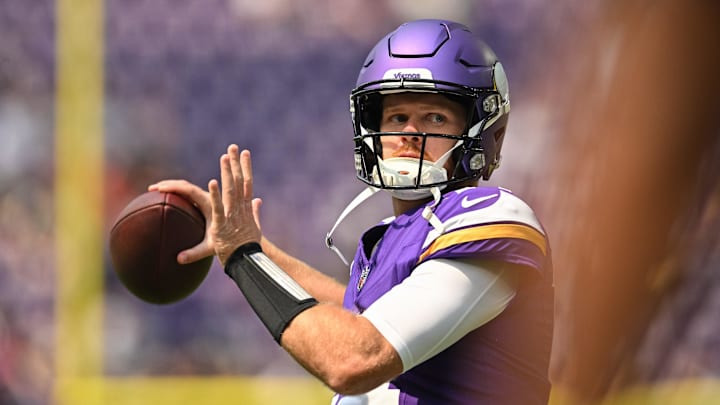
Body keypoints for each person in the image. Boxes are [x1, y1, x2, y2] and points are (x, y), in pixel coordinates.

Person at [150, 19, 554, 405]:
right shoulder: (392, 233)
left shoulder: (491, 216)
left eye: (434, 116)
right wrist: (251, 246)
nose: (409, 135)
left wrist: (244, 258)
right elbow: (352, 314)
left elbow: (353, 357)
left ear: (486, 133)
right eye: (397, 117)